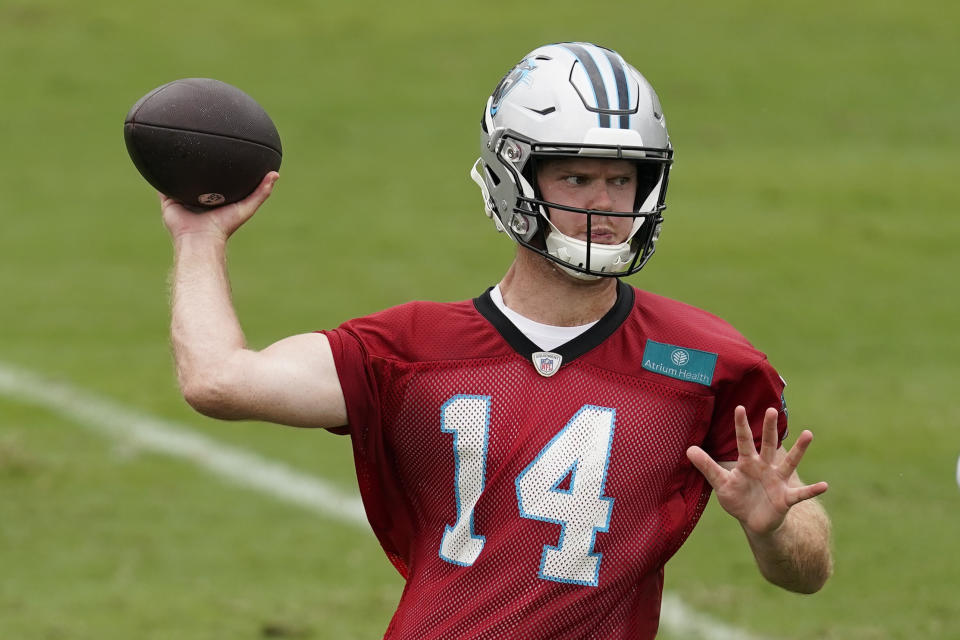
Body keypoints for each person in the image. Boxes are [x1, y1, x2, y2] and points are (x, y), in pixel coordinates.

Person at [161, 42, 832, 639]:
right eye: (575, 178)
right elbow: (218, 380)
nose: (604, 204)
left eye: (621, 179)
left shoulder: (708, 363)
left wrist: (770, 528)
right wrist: (199, 238)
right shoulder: (408, 349)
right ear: (515, 178)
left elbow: (808, 571)